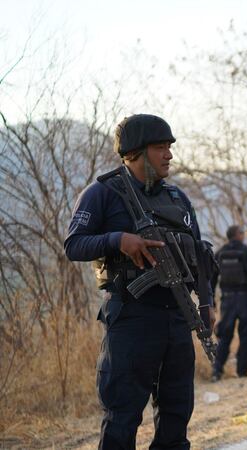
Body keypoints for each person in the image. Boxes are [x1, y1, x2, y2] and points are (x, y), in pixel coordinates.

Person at [64, 114, 214, 449]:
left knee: (177, 414)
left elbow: (201, 255)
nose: (169, 155)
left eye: (170, 147)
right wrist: (119, 240)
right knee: (122, 417)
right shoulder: (102, 194)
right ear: (135, 153)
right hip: (132, 318)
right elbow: (73, 245)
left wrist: (206, 303)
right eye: (160, 147)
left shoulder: (177, 199)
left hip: (177, 317)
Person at [210, 225, 247, 381]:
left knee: (225, 336)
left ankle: (217, 371)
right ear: (237, 235)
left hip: (227, 300)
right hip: (245, 300)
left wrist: (211, 299)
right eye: (242, 233)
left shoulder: (220, 253)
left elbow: (212, 279)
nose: (244, 235)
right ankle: (242, 372)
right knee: (246, 335)